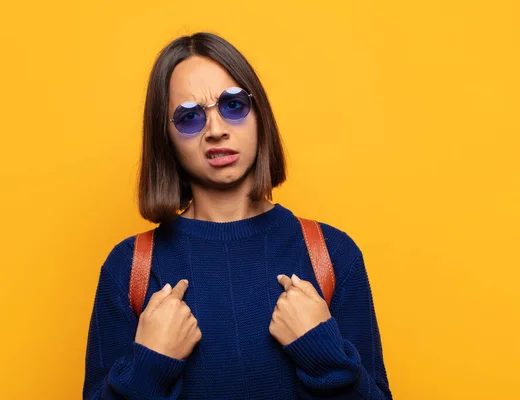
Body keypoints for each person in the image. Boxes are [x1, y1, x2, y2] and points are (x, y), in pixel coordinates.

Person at [82, 32, 392, 400]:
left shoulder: (332, 254)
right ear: (165, 138)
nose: (216, 130)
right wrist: (149, 366)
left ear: (259, 113)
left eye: (233, 106)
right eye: (189, 117)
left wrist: (323, 354)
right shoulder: (129, 268)